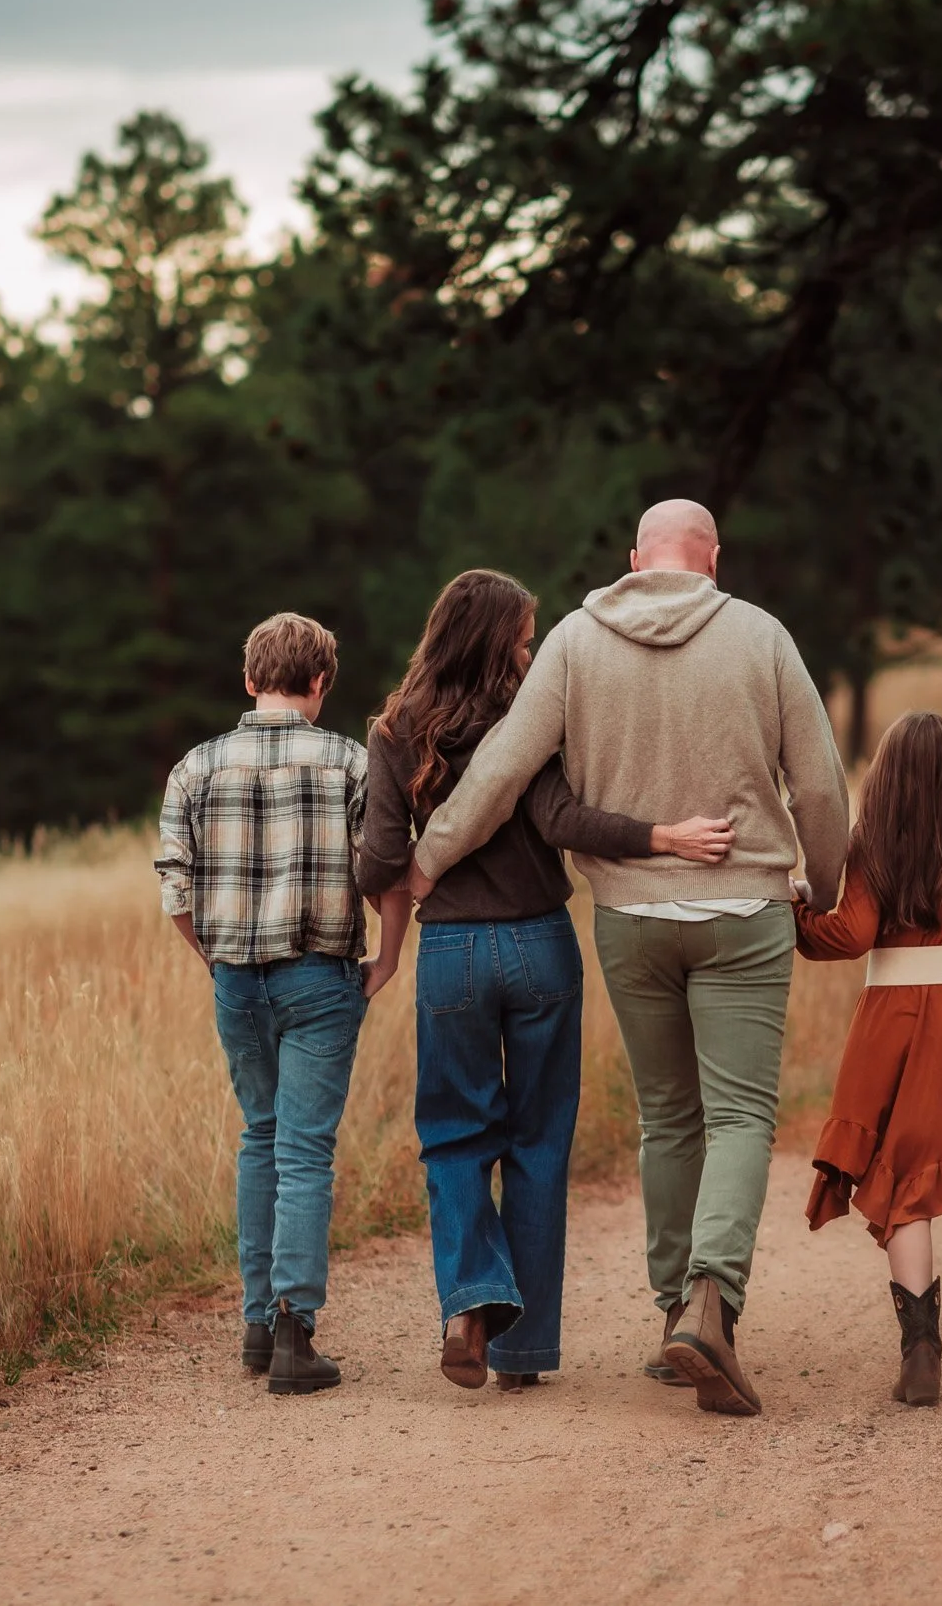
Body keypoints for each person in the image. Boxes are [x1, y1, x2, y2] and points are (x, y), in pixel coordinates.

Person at [406, 500, 850, 1418]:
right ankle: (709, 1301)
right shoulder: (762, 635)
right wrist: (828, 882)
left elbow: (500, 769)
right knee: (738, 1117)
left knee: (668, 1119)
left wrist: (426, 860)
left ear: (637, 559)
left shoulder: (573, 640)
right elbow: (817, 780)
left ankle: (668, 1319)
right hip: (747, 910)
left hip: (630, 918)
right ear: (713, 559)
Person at [356, 569, 737, 1392]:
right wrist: (662, 836)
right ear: (494, 643)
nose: (532, 651)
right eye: (523, 639)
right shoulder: (528, 721)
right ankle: (523, 1353)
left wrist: (386, 856)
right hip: (539, 946)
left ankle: (468, 1306)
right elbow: (566, 822)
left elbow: (381, 862)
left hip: (452, 952)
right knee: (537, 1143)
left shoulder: (394, 732)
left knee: (456, 1136)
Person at [155, 611, 406, 1397]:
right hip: (319, 974)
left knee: (260, 1137)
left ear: (248, 678)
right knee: (303, 1149)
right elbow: (387, 870)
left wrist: (214, 957)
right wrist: (390, 955)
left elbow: (175, 887)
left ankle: (258, 1325)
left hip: (237, 977)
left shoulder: (195, 766)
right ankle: (297, 1333)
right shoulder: (348, 762)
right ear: (321, 681)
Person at [790, 710, 942, 1406]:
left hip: (890, 1022)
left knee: (903, 1176)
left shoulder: (874, 848)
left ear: (886, 780)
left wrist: (799, 920)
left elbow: (852, 933)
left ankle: (920, 1353)